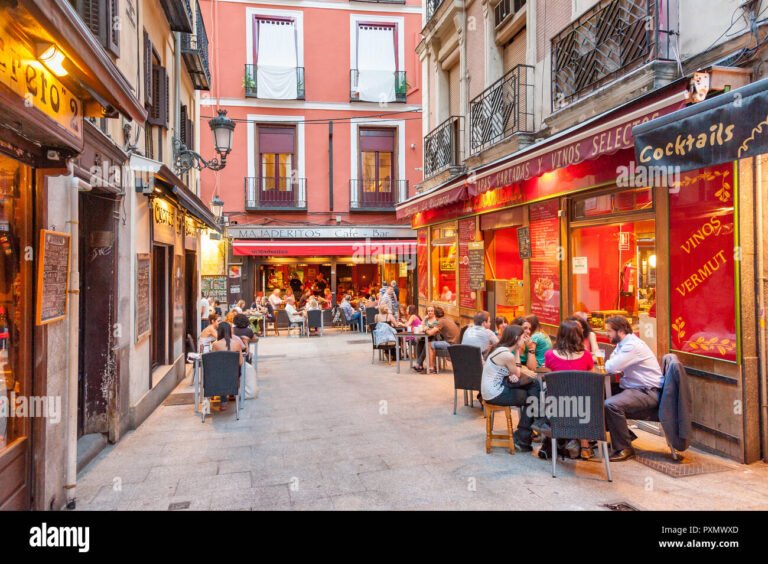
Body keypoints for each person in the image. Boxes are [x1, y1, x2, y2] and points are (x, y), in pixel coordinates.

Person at [602, 316, 664, 461]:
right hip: (633, 388)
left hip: (646, 391)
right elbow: (612, 364)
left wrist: (611, 363)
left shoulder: (632, 346)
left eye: (609, 331)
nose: (607, 334)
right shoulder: (623, 343)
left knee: (611, 404)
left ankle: (624, 448)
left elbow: (611, 366)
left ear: (621, 331)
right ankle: (624, 434)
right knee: (596, 395)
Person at [481, 325, 542, 452]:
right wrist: (517, 355)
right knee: (533, 391)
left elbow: (514, 374)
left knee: (532, 387)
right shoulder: (507, 355)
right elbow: (517, 373)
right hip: (495, 393)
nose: (524, 339)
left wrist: (512, 374)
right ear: (516, 338)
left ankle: (525, 435)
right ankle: (528, 431)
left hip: (494, 388)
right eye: (522, 337)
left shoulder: (500, 349)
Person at [543, 320, 595, 460]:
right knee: (584, 400)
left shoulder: (550, 355)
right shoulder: (587, 356)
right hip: (583, 407)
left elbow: (548, 380)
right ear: (579, 336)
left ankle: (553, 439)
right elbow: (591, 380)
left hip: (557, 406)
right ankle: (585, 445)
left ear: (560, 335)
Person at [414, 305, 459, 374]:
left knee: (429, 344)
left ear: (435, 314)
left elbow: (430, 333)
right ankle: (420, 364)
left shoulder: (440, 321)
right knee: (425, 342)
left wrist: (425, 330)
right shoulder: (447, 319)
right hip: (456, 342)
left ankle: (431, 368)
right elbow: (436, 329)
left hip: (451, 344)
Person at [211, 321, 244, 410]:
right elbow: (241, 362)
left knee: (221, 372)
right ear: (230, 331)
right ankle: (233, 393)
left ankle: (223, 402)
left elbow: (213, 362)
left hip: (220, 376)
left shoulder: (215, 344)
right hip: (234, 375)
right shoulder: (236, 344)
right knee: (231, 371)